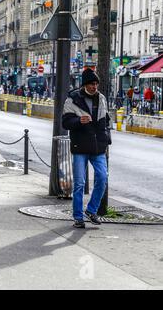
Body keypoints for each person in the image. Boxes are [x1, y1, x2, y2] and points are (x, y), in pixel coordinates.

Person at [62, 68, 112, 229]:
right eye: (91, 84)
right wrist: (79, 121)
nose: (94, 86)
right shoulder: (73, 99)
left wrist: (106, 141)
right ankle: (78, 217)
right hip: (80, 146)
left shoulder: (101, 98)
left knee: (102, 178)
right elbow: (65, 122)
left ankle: (91, 210)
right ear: (84, 84)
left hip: (98, 146)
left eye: (96, 84)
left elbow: (106, 120)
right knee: (79, 183)